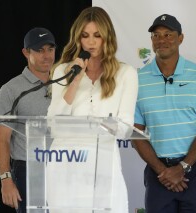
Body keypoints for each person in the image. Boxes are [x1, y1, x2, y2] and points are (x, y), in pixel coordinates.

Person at [47, 6, 138, 213]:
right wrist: (74, 81)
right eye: (85, 36)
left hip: (103, 162)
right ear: (77, 38)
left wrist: (96, 127)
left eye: (97, 36)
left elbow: (125, 127)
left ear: (108, 38)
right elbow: (53, 123)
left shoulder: (126, 73)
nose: (90, 42)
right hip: (65, 161)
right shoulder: (63, 70)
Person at [132, 14, 196, 213]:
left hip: (195, 171)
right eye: (156, 35)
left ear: (180, 38)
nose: (161, 40)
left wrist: (182, 168)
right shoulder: (137, 80)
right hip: (157, 172)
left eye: (168, 34)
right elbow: (134, 133)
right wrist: (163, 171)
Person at [0, 27, 56, 213]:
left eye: (50, 49)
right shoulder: (10, 89)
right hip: (28, 170)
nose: (46, 55)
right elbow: (1, 139)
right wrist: (6, 180)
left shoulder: (64, 83)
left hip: (64, 165)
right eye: (39, 50)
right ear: (26, 52)